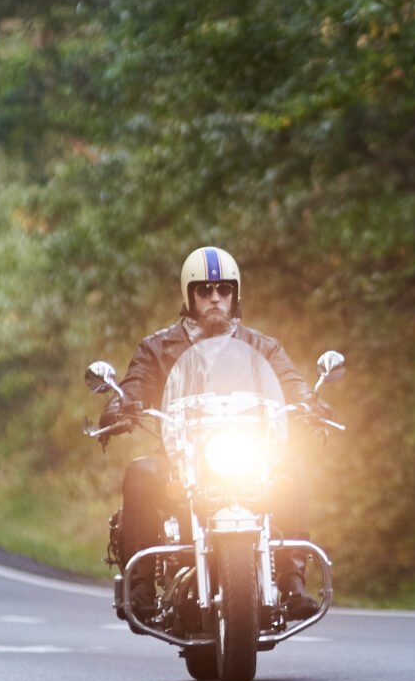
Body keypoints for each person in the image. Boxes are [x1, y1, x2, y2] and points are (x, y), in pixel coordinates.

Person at [99, 246, 322, 612]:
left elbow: (290, 382)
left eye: (223, 290)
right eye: (204, 291)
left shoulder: (261, 346)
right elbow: (134, 383)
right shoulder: (156, 348)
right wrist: (120, 407)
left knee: (292, 468)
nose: (215, 298)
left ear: (235, 295)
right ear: (190, 296)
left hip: (249, 456)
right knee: (140, 473)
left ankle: (292, 584)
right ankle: (140, 588)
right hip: (180, 460)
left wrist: (308, 403)